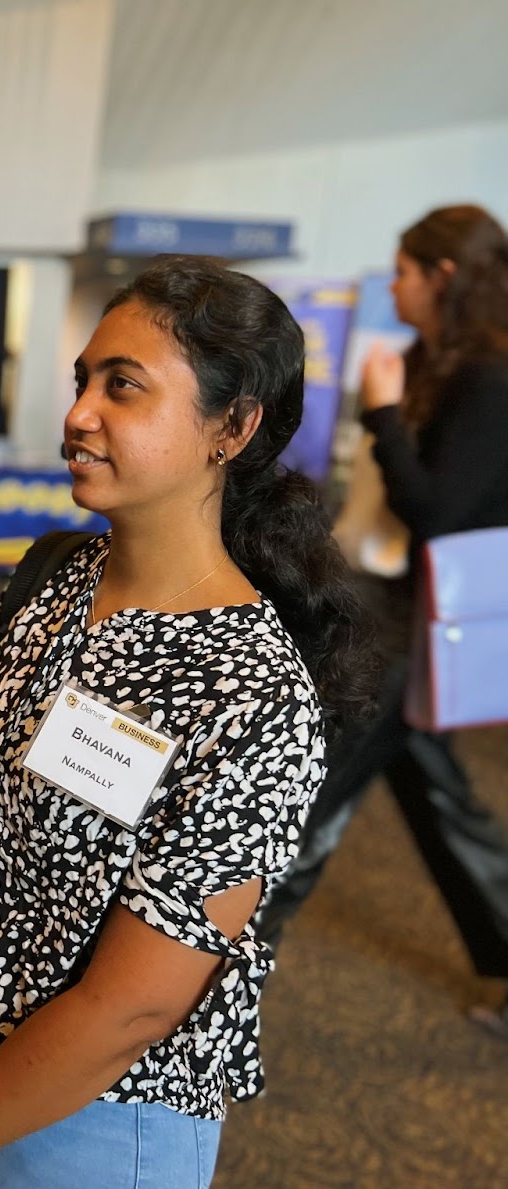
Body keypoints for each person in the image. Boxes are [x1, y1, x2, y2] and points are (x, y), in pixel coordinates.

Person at [0, 258, 377, 1189]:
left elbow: (137, 1002)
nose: (79, 413)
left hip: (84, 1126)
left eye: (123, 386)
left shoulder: (252, 692)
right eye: (83, 380)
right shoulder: (52, 578)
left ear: (233, 427)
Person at [259, 205, 508, 1037]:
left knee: (307, 799)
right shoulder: (425, 363)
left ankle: (217, 986)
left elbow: (433, 511)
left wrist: (385, 413)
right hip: (382, 612)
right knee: (442, 803)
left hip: (411, 624)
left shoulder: (487, 379)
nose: (391, 283)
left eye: (403, 270)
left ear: (444, 276)